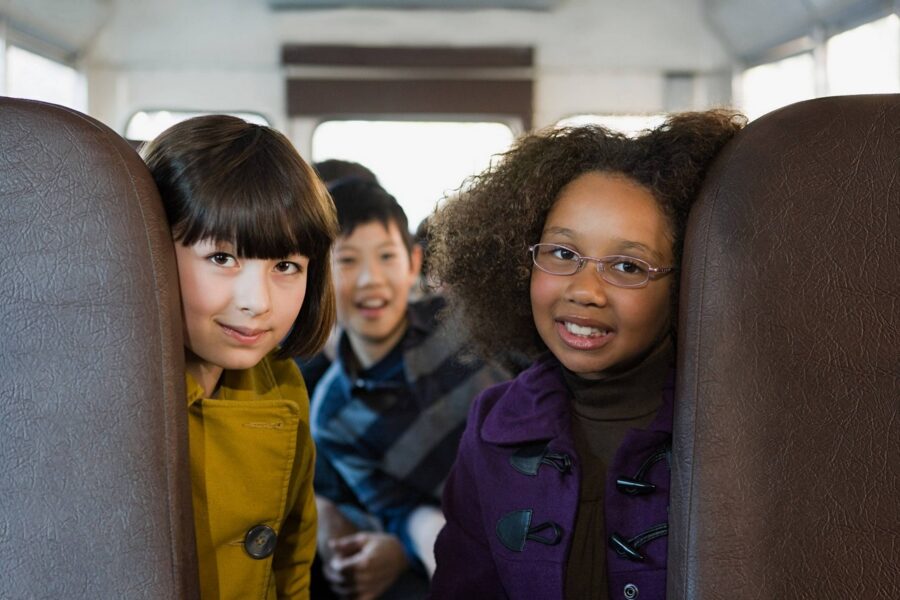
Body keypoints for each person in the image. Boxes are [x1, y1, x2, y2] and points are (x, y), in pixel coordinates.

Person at [427, 110, 746, 599]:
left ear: (687, 283)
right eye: (561, 254)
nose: (585, 291)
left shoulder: (741, 430)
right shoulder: (492, 425)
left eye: (626, 264)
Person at [141, 115, 339, 599]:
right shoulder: (113, 395)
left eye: (286, 266)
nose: (258, 301)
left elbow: (292, 562)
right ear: (147, 247)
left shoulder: (282, 384)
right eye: (222, 258)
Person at [311, 178, 509, 600]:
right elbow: (399, 510)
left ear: (413, 263)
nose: (370, 280)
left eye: (386, 257)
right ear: (317, 277)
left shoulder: (462, 320)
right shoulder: (330, 418)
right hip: (455, 537)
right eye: (346, 261)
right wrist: (445, 552)